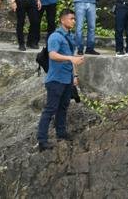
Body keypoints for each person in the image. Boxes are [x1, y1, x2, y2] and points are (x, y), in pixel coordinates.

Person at [37, 9, 84, 151]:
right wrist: (70, 58)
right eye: (71, 19)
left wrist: (74, 76)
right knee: (50, 109)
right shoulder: (55, 37)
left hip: (67, 79)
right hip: (56, 80)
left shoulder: (69, 36)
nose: (73, 21)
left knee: (63, 108)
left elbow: (71, 58)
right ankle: (42, 140)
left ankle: (61, 133)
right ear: (63, 20)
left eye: (74, 19)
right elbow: (52, 55)